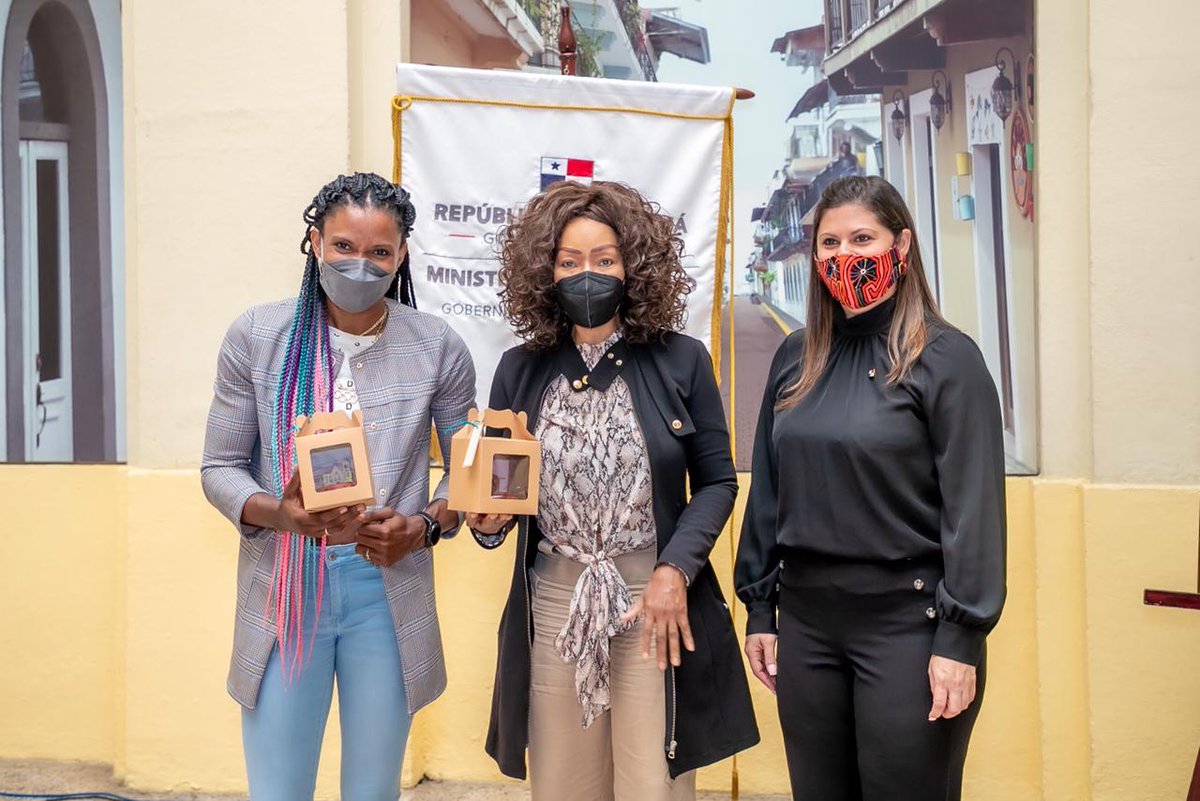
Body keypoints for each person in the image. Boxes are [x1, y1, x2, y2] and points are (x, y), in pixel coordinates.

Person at [468, 180, 758, 801]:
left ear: (635, 267)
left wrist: (675, 570)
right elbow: (498, 492)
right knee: (564, 784)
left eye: (605, 260)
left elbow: (716, 482)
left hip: (655, 601)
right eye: (569, 262)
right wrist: (487, 524)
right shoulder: (520, 369)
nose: (587, 275)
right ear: (545, 273)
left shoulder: (682, 360)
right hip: (555, 600)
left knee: (653, 781)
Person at [201, 172, 475, 801]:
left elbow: (467, 478)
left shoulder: (437, 346)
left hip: (387, 591)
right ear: (315, 243)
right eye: (344, 247)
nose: (360, 264)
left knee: (373, 789)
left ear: (401, 255)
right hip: (286, 587)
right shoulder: (258, 338)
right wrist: (281, 515)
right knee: (279, 788)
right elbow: (219, 467)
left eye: (379, 252)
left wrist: (423, 528)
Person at [735, 175, 1006, 801]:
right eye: (830, 243)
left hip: (909, 627)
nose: (844, 255)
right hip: (807, 625)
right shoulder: (795, 358)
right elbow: (769, 493)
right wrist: (760, 609)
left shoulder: (946, 359)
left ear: (901, 246)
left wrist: (960, 639)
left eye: (863, 239)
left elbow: (974, 512)